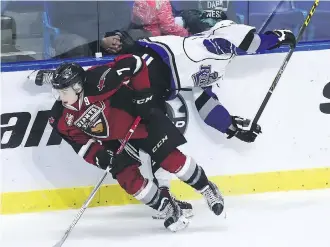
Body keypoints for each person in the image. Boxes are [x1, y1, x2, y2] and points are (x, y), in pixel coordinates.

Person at [34, 56, 224, 232]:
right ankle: (166, 208)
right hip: (111, 140)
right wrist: (99, 156)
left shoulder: (99, 79)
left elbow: (135, 62)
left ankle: (207, 189)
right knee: (126, 177)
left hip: (138, 119)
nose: (60, 96)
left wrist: (143, 94)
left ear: (77, 87)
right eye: (58, 91)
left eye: (64, 91)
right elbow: (80, 144)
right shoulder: (59, 118)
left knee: (170, 160)